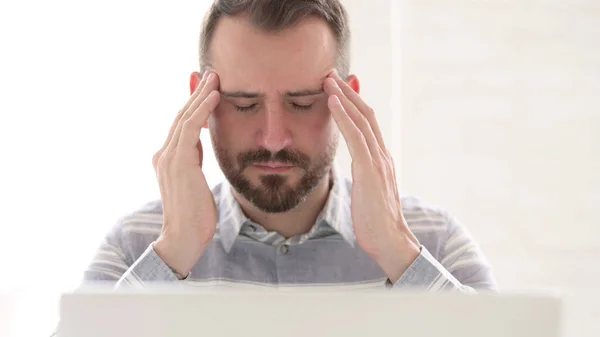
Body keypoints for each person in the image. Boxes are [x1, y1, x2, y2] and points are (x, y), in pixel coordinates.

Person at [84, 0, 497, 291]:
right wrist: (172, 254)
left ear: (347, 103)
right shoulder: (136, 246)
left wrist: (398, 255)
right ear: (200, 103)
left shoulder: (436, 243)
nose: (274, 139)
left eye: (302, 104)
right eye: (244, 105)